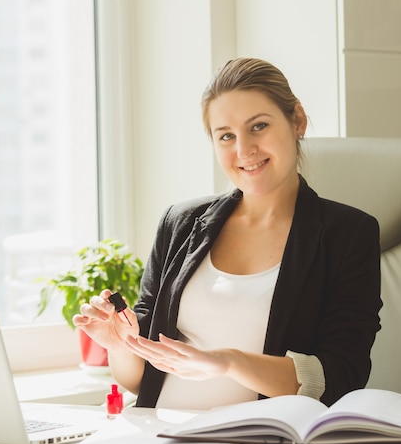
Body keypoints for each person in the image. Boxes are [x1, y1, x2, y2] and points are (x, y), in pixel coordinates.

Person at [73, 57, 382, 410]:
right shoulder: (180, 223)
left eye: (259, 126)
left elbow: (342, 376)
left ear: (297, 120)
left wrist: (229, 362)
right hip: (160, 440)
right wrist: (120, 345)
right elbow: (141, 381)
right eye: (226, 136)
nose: (243, 150)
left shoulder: (347, 234)